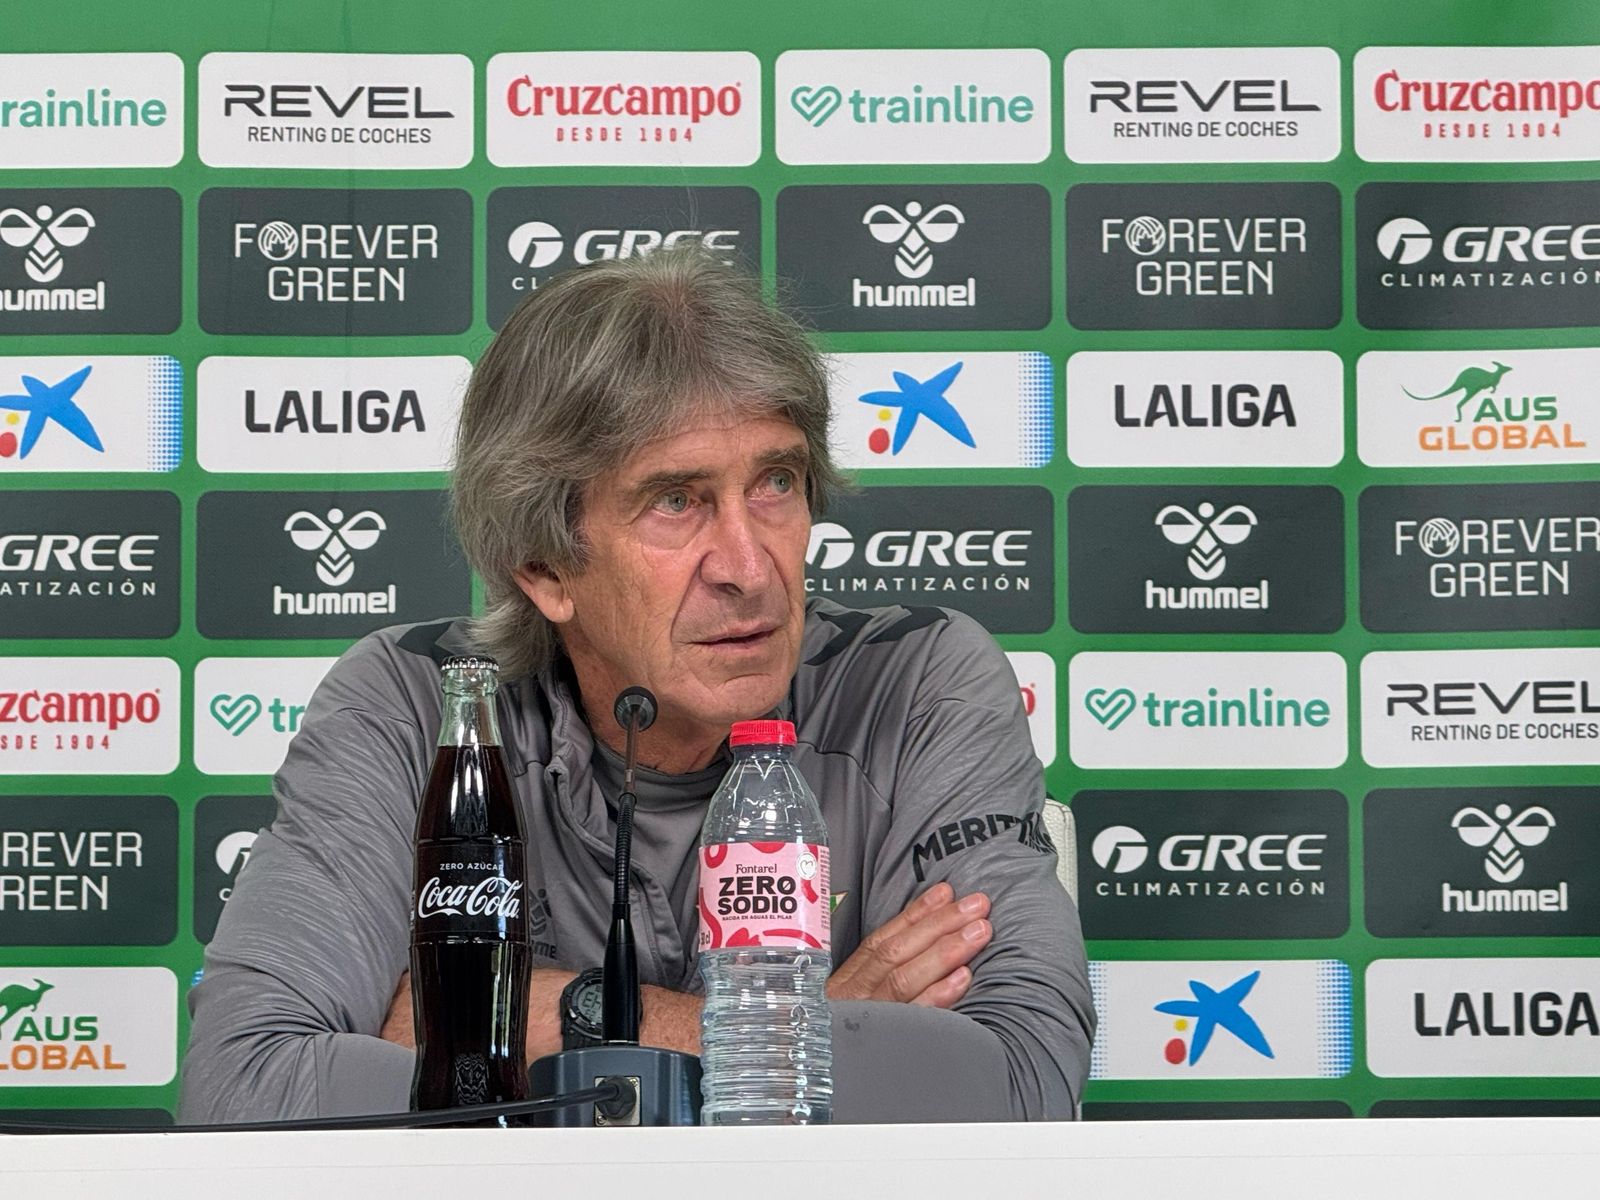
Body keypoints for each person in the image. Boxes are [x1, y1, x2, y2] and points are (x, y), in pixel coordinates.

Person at [179, 247, 1095, 1124]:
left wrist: (496, 1020)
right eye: (675, 500)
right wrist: (793, 1040)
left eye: (775, 482)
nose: (749, 565)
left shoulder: (920, 682)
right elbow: (246, 1085)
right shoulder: (418, 707)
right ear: (544, 568)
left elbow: (1015, 1085)